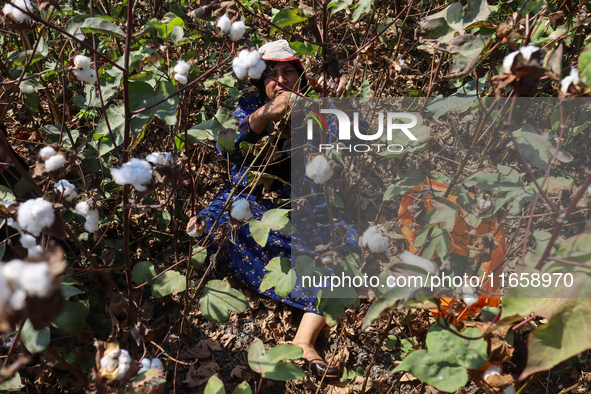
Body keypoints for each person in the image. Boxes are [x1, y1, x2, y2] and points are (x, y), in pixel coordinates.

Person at [196, 40, 359, 379]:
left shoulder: (322, 110)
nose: (280, 80)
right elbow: (226, 144)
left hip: (307, 207)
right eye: (271, 74)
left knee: (346, 246)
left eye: (289, 72)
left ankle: (304, 340)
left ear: (302, 78)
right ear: (260, 81)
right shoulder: (248, 105)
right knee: (220, 223)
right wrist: (267, 114)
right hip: (254, 202)